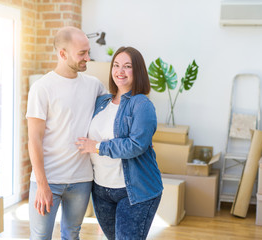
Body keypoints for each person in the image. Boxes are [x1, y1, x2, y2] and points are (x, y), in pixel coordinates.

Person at [26, 26, 106, 240]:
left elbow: (114, 114)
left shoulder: (95, 86)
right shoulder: (42, 88)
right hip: (48, 180)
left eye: (88, 52)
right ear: (62, 54)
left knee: (72, 235)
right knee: (41, 236)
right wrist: (42, 185)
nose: (87, 58)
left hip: (81, 180)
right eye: (82, 53)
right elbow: (34, 139)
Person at [76, 46, 163, 240]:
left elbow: (136, 145)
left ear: (137, 70)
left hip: (134, 192)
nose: (119, 71)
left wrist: (98, 146)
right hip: (101, 190)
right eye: (116, 65)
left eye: (127, 66)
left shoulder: (141, 104)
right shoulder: (102, 102)